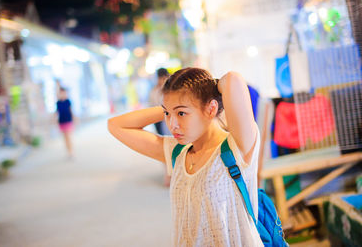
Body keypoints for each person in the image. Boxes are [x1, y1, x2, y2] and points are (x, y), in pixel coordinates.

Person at [108, 67, 262, 246]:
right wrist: (173, 106)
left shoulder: (237, 148)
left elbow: (233, 79)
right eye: (167, 114)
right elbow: (115, 125)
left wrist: (202, 92)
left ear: (211, 108)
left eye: (181, 114)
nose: (172, 124)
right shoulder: (178, 152)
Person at [149, 68, 170, 135]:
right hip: (159, 118)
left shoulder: (171, 89)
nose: (162, 81)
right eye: (161, 78)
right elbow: (152, 104)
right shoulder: (154, 90)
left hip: (167, 117)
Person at [56, 87, 74, 158]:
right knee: (65, 138)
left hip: (68, 120)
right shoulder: (58, 103)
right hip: (61, 122)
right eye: (61, 93)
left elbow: (71, 111)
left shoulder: (68, 101)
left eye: (63, 93)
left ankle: (71, 151)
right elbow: (57, 113)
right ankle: (68, 151)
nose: (62, 94)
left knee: (69, 136)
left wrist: (74, 119)